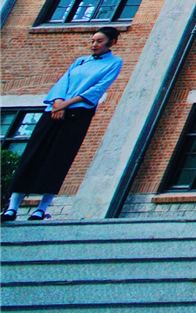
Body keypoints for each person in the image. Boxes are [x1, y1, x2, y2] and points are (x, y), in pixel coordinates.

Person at [4, 27, 124, 222]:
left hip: (78, 114)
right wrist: (58, 103)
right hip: (53, 111)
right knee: (32, 155)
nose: (94, 44)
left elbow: (99, 88)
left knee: (59, 159)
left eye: (99, 41)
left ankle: (41, 209)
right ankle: (12, 207)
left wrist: (66, 105)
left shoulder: (114, 63)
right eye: (93, 40)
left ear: (111, 43)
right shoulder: (80, 61)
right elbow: (63, 82)